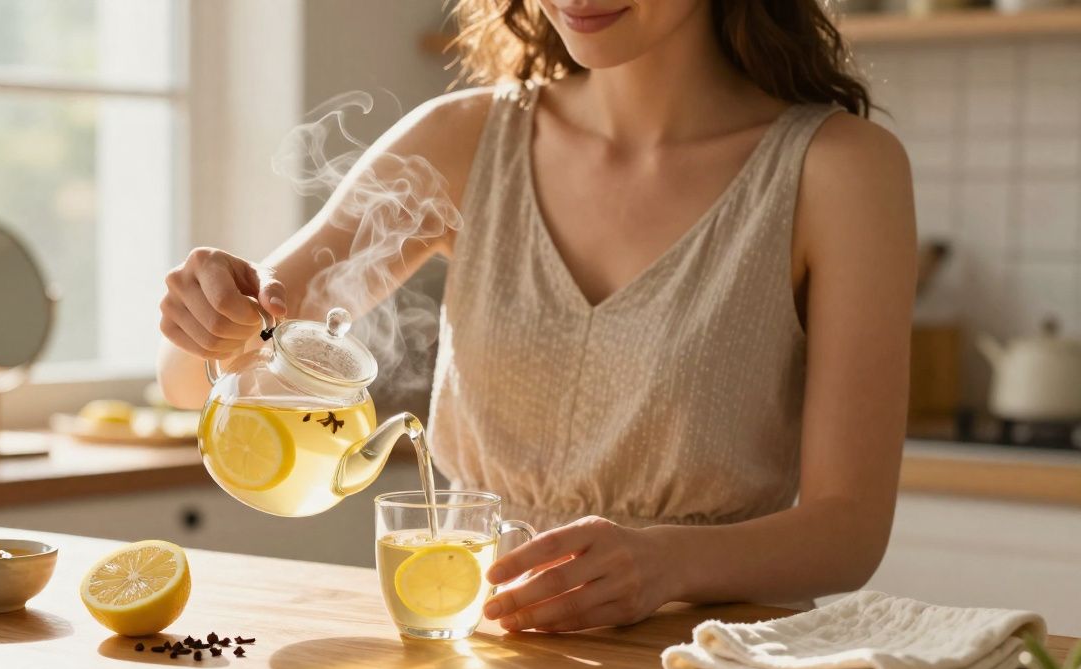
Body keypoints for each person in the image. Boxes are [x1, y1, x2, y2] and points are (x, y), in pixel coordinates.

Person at [157, 0, 916, 633]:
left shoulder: (841, 169)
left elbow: (847, 531)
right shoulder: (461, 139)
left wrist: (668, 563)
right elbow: (194, 382)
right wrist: (213, 318)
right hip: (479, 659)